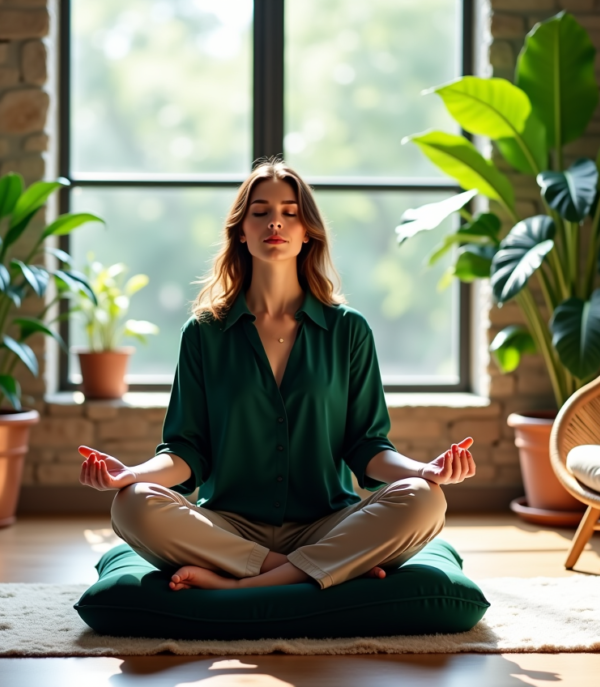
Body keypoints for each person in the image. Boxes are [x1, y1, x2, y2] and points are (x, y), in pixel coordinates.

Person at [78, 159, 475, 592]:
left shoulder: (348, 330)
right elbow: (186, 451)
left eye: (290, 212)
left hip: (328, 522)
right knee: (130, 506)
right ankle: (315, 571)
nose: (275, 223)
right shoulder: (203, 333)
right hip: (227, 527)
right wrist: (130, 475)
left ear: (308, 232)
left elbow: (367, 447)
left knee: (425, 499)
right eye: (260, 212)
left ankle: (240, 584)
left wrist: (424, 469)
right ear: (240, 231)